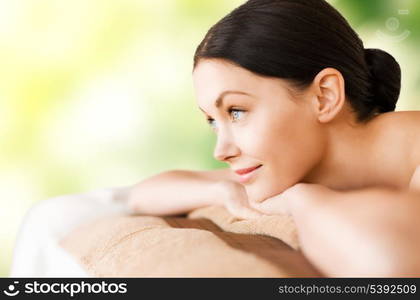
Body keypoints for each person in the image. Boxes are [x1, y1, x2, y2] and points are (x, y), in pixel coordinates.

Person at [127, 0, 420, 276]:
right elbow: (143, 195)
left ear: (324, 96)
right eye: (212, 121)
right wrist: (222, 191)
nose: (221, 151)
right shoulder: (303, 162)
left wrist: (304, 200)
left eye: (237, 111)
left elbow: (389, 264)